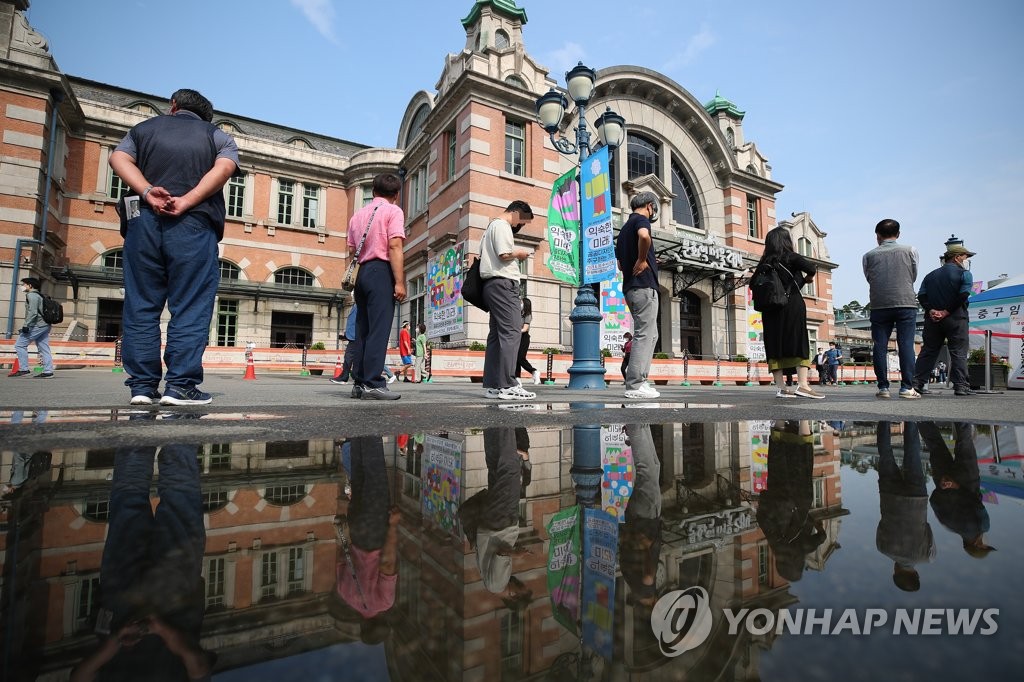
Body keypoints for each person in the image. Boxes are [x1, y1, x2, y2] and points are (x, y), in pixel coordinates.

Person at [108, 88, 239, 407]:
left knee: (141, 305)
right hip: (192, 226)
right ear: (206, 116)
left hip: (143, 223)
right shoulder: (217, 136)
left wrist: (148, 191)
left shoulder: (143, 130)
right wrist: (187, 201)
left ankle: (141, 386)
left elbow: (118, 158)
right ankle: (180, 386)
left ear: (173, 106)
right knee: (191, 305)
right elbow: (224, 170)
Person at [70, 443, 211, 681]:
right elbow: (198, 666)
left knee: (178, 501)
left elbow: (79, 676)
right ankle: (146, 425)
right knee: (131, 500)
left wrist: (123, 636)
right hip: (154, 597)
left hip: (162, 596)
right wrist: (149, 630)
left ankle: (174, 426)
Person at [334, 436, 400, 643]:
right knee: (359, 476)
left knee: (374, 472)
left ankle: (370, 427)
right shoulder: (344, 594)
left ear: (382, 622)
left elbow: (387, 563)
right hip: (355, 531)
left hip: (375, 534)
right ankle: (357, 433)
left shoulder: (384, 603)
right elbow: (340, 555)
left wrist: (393, 526)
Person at [459, 427, 534, 608]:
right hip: (492, 521)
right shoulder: (489, 583)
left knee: (509, 470)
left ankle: (503, 419)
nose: (521, 584)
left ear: (513, 595)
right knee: (496, 470)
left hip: (500, 521)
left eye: (521, 588)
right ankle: (491, 425)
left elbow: (501, 553)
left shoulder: (498, 584)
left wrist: (517, 553)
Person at [348, 173, 406, 401]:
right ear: (397, 194)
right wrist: (399, 281)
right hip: (381, 271)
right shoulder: (394, 211)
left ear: (373, 191)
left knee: (362, 330)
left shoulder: (357, 215)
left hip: (361, 272)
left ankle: (360, 383)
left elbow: (352, 249)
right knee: (379, 330)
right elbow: (394, 245)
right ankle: (373, 382)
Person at [755, 227, 823, 399]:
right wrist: (806, 279)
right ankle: (803, 385)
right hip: (791, 304)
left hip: (770, 308)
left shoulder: (764, 262)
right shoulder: (791, 257)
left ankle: (782, 388)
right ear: (786, 241)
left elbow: (753, 284)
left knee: (774, 344)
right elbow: (811, 268)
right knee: (797, 340)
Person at [756, 420, 827, 581]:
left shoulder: (804, 548)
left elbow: (821, 538)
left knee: (803, 455)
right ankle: (781, 416)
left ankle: (804, 418)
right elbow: (761, 517)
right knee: (779, 454)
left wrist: (817, 525)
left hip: (801, 496)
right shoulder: (775, 541)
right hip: (778, 490)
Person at [480, 200, 536, 400]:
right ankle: (508, 385)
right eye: (521, 220)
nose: (519, 225)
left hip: (491, 285)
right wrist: (520, 253)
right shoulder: (502, 225)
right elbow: (504, 254)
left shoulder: (490, 228)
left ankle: (495, 384)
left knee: (496, 335)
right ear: (516, 212)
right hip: (503, 284)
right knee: (512, 332)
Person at [862, 218, 921, 399]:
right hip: (905, 302)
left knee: (880, 345)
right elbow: (914, 275)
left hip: (879, 304)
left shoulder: (868, 255)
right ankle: (906, 387)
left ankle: (883, 388)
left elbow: (868, 277)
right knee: (906, 345)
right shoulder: (910, 250)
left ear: (877, 236)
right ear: (898, 234)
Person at [920, 422, 996, 558]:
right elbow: (933, 501)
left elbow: (976, 504)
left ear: (978, 545)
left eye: (986, 545)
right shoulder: (948, 524)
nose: (986, 541)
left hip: (968, 478)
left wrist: (957, 486)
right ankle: (919, 412)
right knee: (934, 443)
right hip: (943, 478)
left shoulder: (983, 527)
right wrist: (943, 487)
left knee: (964, 440)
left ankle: (961, 404)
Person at [875, 421, 934, 592]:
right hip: (889, 497)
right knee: (885, 454)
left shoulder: (927, 556)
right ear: (895, 572)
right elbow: (881, 525)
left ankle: (911, 419)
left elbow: (927, 529)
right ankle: (883, 418)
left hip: (916, 500)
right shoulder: (882, 548)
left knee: (912, 454)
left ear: (916, 575)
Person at [615, 192, 661, 399]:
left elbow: (619, 262)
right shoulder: (641, 220)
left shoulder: (624, 229)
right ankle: (635, 384)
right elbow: (644, 236)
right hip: (644, 286)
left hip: (630, 287)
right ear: (650, 206)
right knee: (645, 333)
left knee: (651, 334)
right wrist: (643, 259)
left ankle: (640, 380)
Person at [913, 244, 975, 396]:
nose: (966, 260)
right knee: (958, 351)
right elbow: (963, 295)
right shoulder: (965, 274)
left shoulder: (930, 276)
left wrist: (932, 310)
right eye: (965, 257)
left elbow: (921, 296)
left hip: (932, 320)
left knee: (928, 351)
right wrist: (946, 311)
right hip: (956, 318)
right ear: (957, 257)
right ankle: (960, 386)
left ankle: (917, 384)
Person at [619, 423, 662, 608]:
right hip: (637, 517)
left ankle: (635, 425)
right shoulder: (629, 575)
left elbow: (648, 573)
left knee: (647, 470)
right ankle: (641, 424)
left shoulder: (645, 589)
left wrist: (647, 544)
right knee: (653, 467)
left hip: (646, 519)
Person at [331, 303, 396, 391]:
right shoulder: (357, 304)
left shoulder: (363, 305)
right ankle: (353, 381)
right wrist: (347, 334)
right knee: (353, 359)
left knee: (350, 358)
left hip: (357, 336)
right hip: (354, 336)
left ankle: (347, 377)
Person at [12, 277, 54, 378]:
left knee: (20, 345)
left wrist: (26, 325)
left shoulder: (32, 295)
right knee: (44, 348)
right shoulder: (39, 295)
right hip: (45, 325)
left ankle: (24, 369)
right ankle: (48, 371)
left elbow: (33, 312)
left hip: (38, 325)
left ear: (30, 285)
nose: (22, 286)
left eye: (24, 284)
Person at [515, 297, 541, 386]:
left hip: (524, 338)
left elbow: (525, 329)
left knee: (520, 357)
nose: (520, 304)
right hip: (515, 337)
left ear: (525, 304)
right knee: (515, 359)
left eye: (521, 302)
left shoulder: (527, 315)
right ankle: (517, 379)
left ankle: (534, 371)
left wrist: (515, 331)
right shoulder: (517, 314)